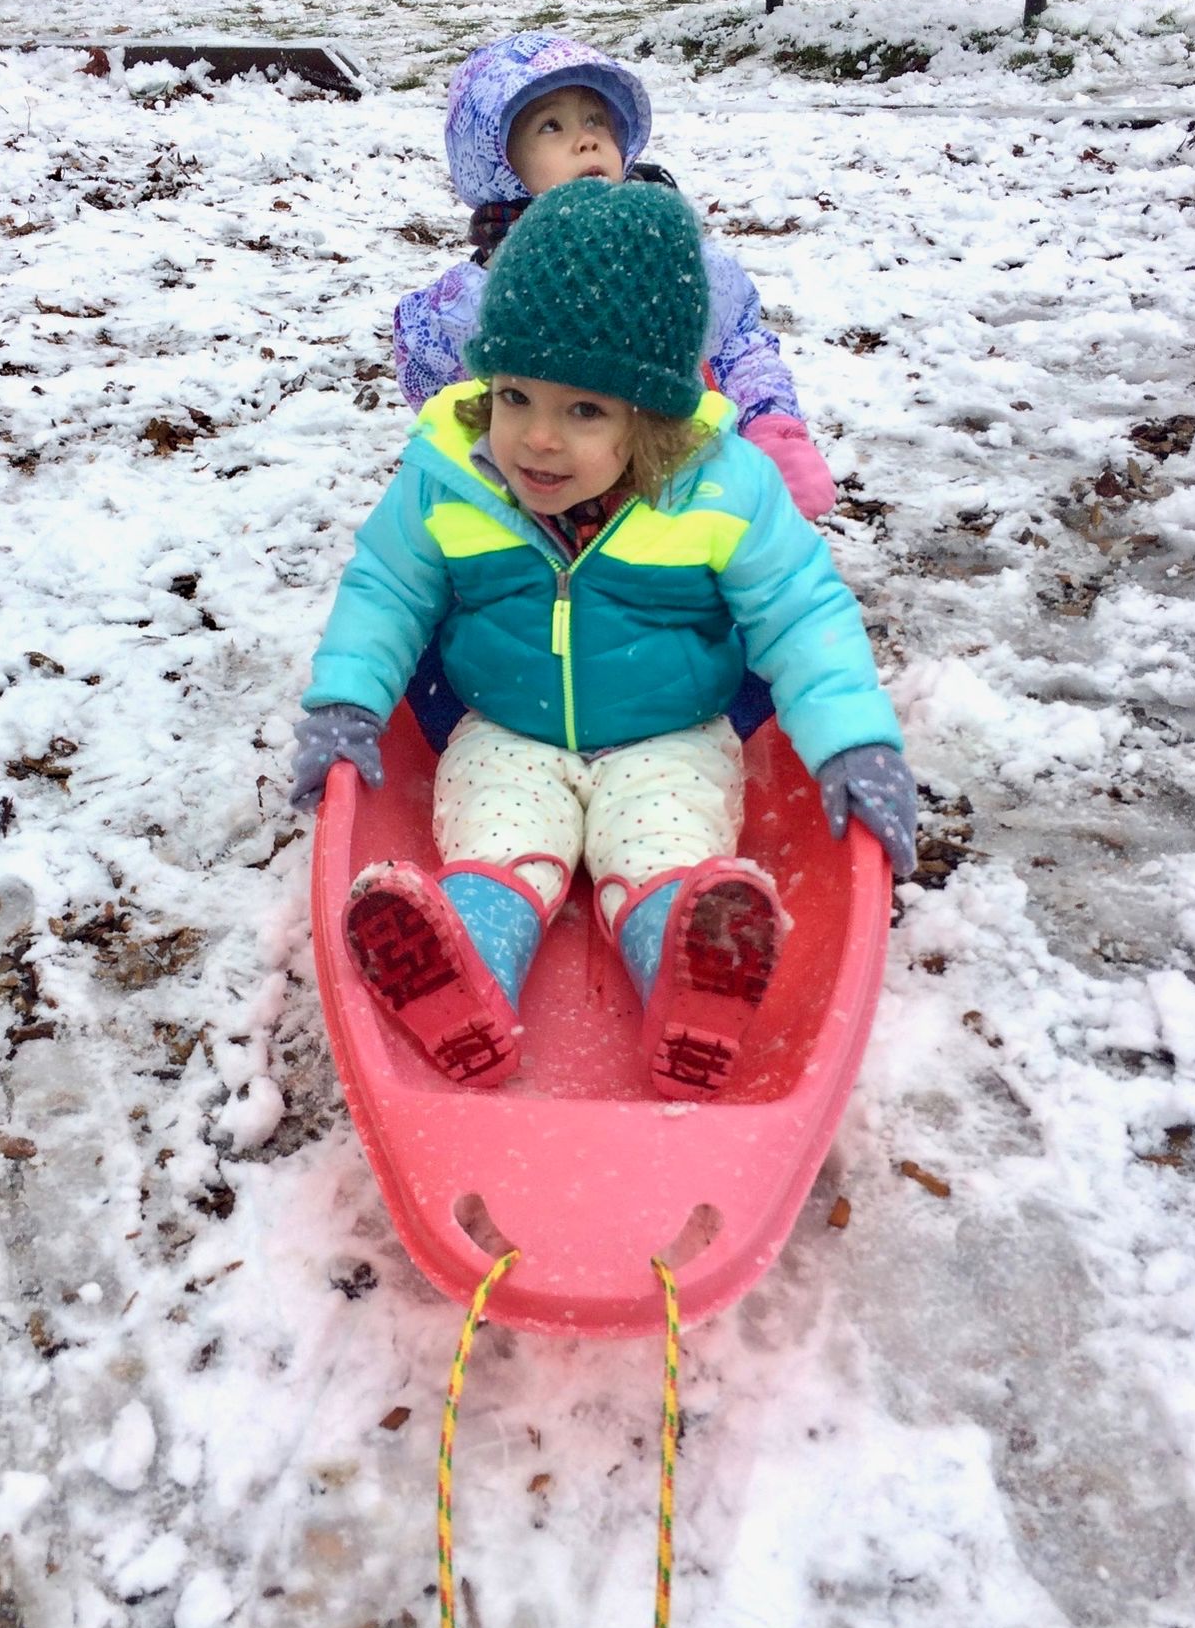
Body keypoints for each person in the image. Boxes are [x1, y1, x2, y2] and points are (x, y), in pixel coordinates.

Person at [292, 180, 917, 1101]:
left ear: (650, 415)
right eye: (515, 396)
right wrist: (345, 701)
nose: (537, 440)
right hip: (506, 726)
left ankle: (691, 982)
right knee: (500, 852)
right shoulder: (448, 476)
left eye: (585, 411)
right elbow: (388, 586)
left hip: (670, 731)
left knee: (662, 854)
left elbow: (801, 611)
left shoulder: (720, 490)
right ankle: (463, 976)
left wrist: (856, 741)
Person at [395, 32, 835, 523]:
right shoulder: (489, 292)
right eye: (550, 126)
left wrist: (772, 426)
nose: (585, 138)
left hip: (681, 492)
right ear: (497, 161)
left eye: (595, 120)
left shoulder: (667, 258)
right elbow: (439, 384)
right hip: (549, 508)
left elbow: (736, 343)